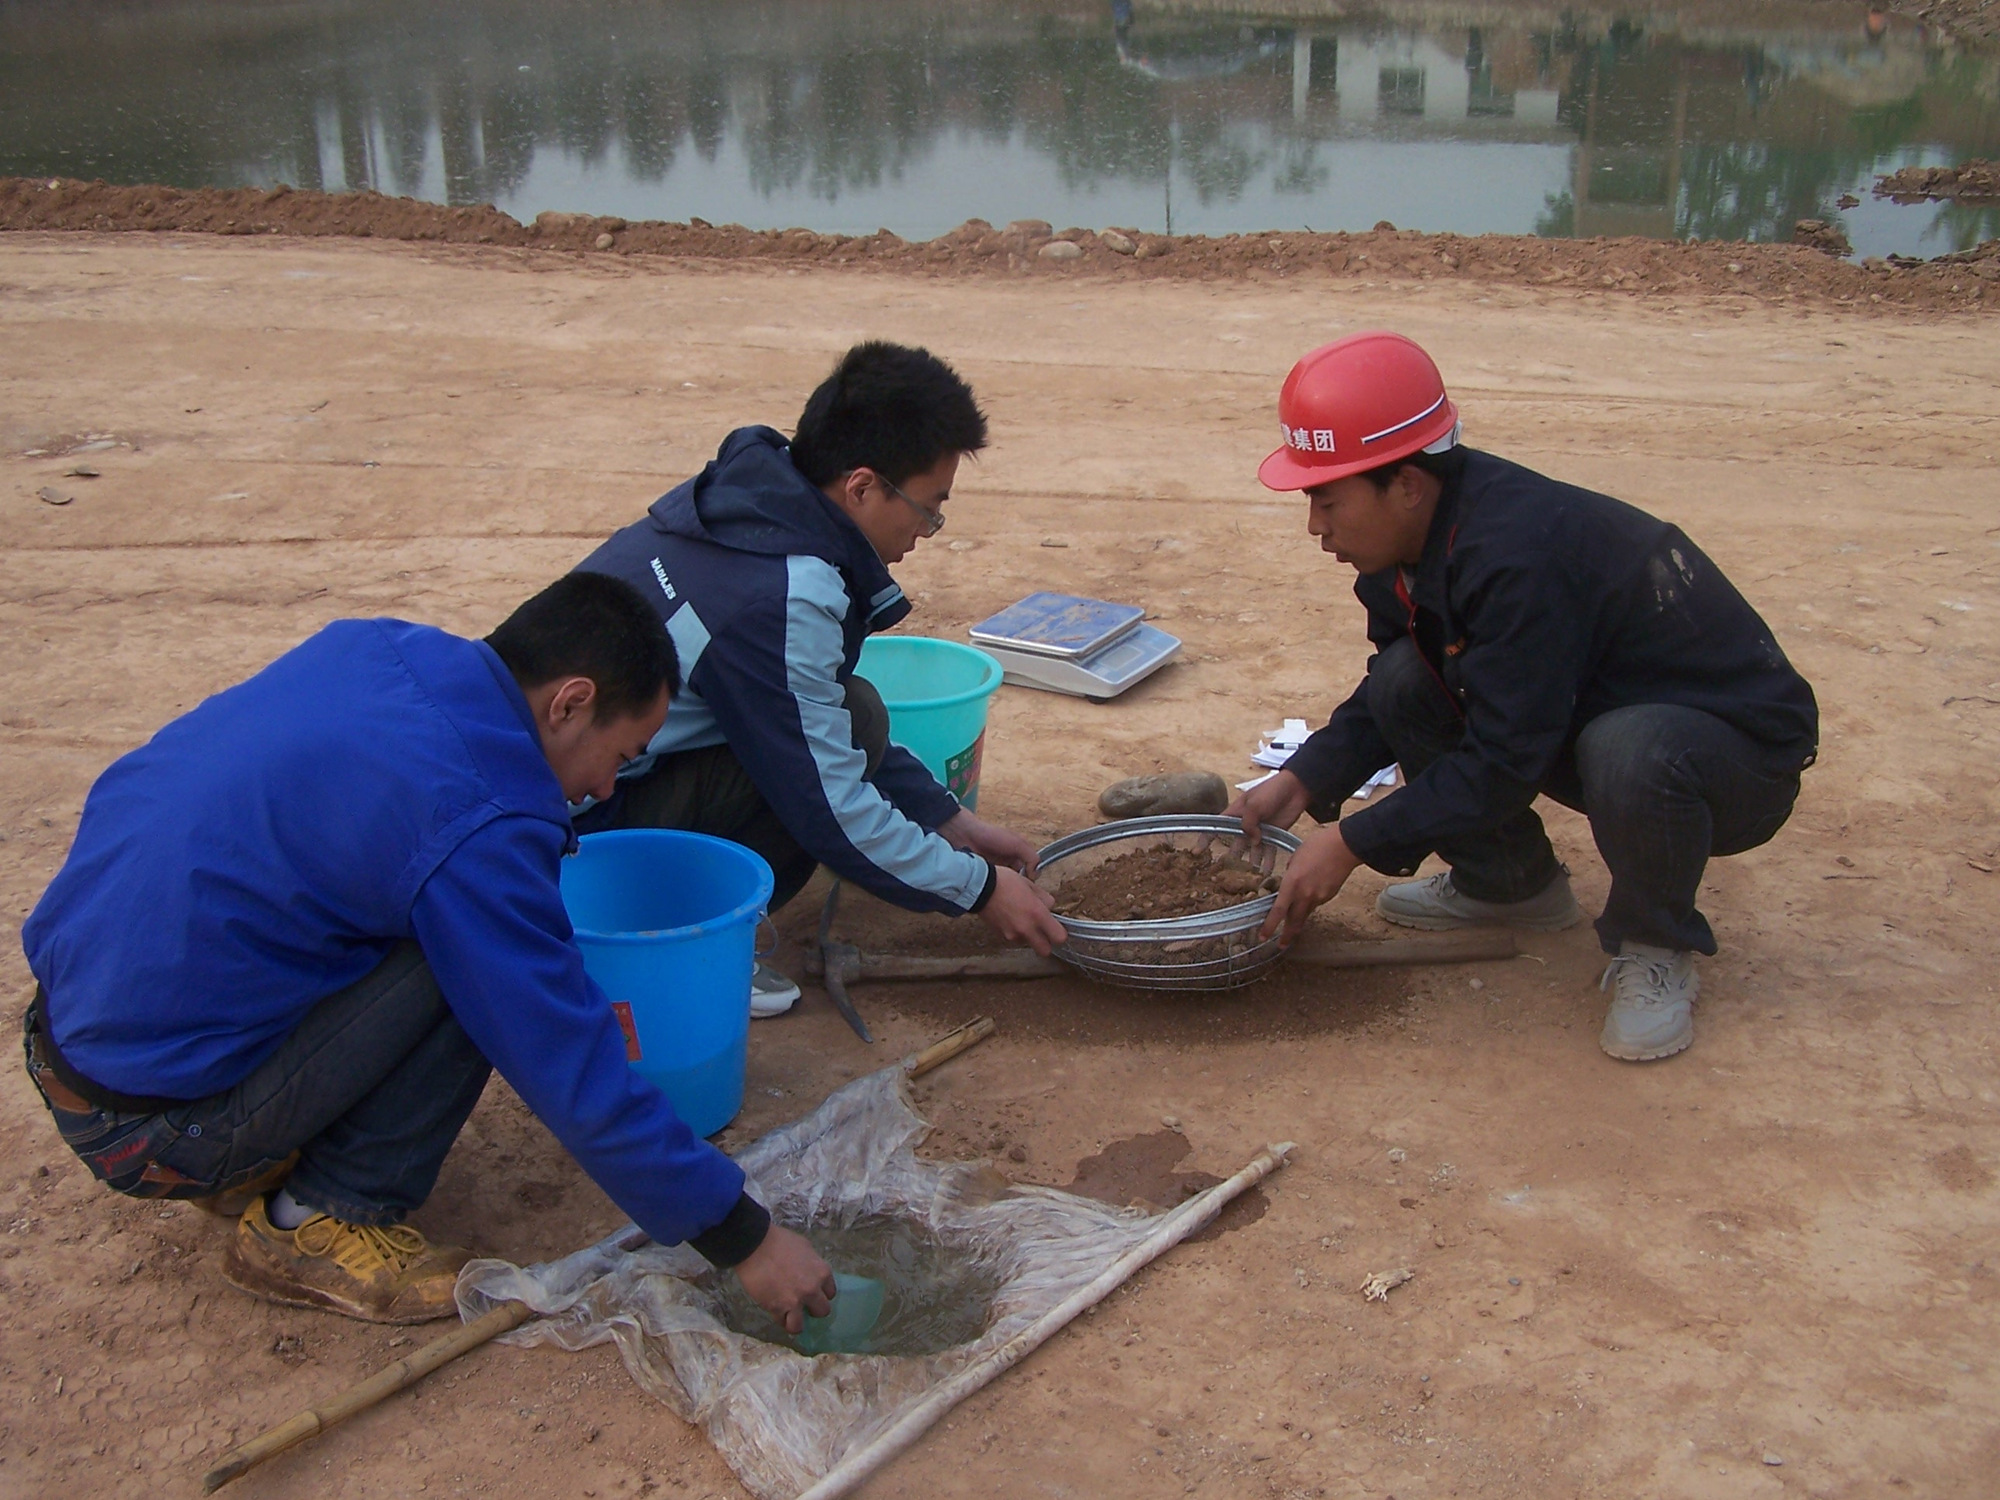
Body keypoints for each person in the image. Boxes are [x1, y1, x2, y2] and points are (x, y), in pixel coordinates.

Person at [20, 574, 836, 1326]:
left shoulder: (378, 649)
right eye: (619, 756)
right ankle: (314, 1216)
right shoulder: (478, 814)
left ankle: (255, 1142)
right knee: (474, 958)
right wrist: (745, 1238)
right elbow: (565, 1055)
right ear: (569, 702)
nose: (603, 789)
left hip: (74, 1036)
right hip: (150, 1127)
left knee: (431, 911)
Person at [1229, 331, 1818, 1061]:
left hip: (1732, 759)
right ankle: (1508, 885)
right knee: (1407, 679)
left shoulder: (1519, 555)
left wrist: (1351, 842)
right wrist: (1302, 779)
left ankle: (1656, 944)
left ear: (1406, 484)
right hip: (1585, 708)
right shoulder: (1404, 549)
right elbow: (1407, 687)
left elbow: (1506, 759)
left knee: (1628, 749)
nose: (1315, 526)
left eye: (1327, 499)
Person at [575, 341, 1066, 1015]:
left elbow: (817, 712)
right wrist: (979, 889)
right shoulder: (785, 592)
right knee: (828, 757)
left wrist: (947, 819)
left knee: (853, 714)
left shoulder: (748, 505)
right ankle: (683, 943)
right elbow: (829, 803)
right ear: (861, 487)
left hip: (586, 788)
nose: (928, 530)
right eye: (928, 508)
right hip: (575, 837)